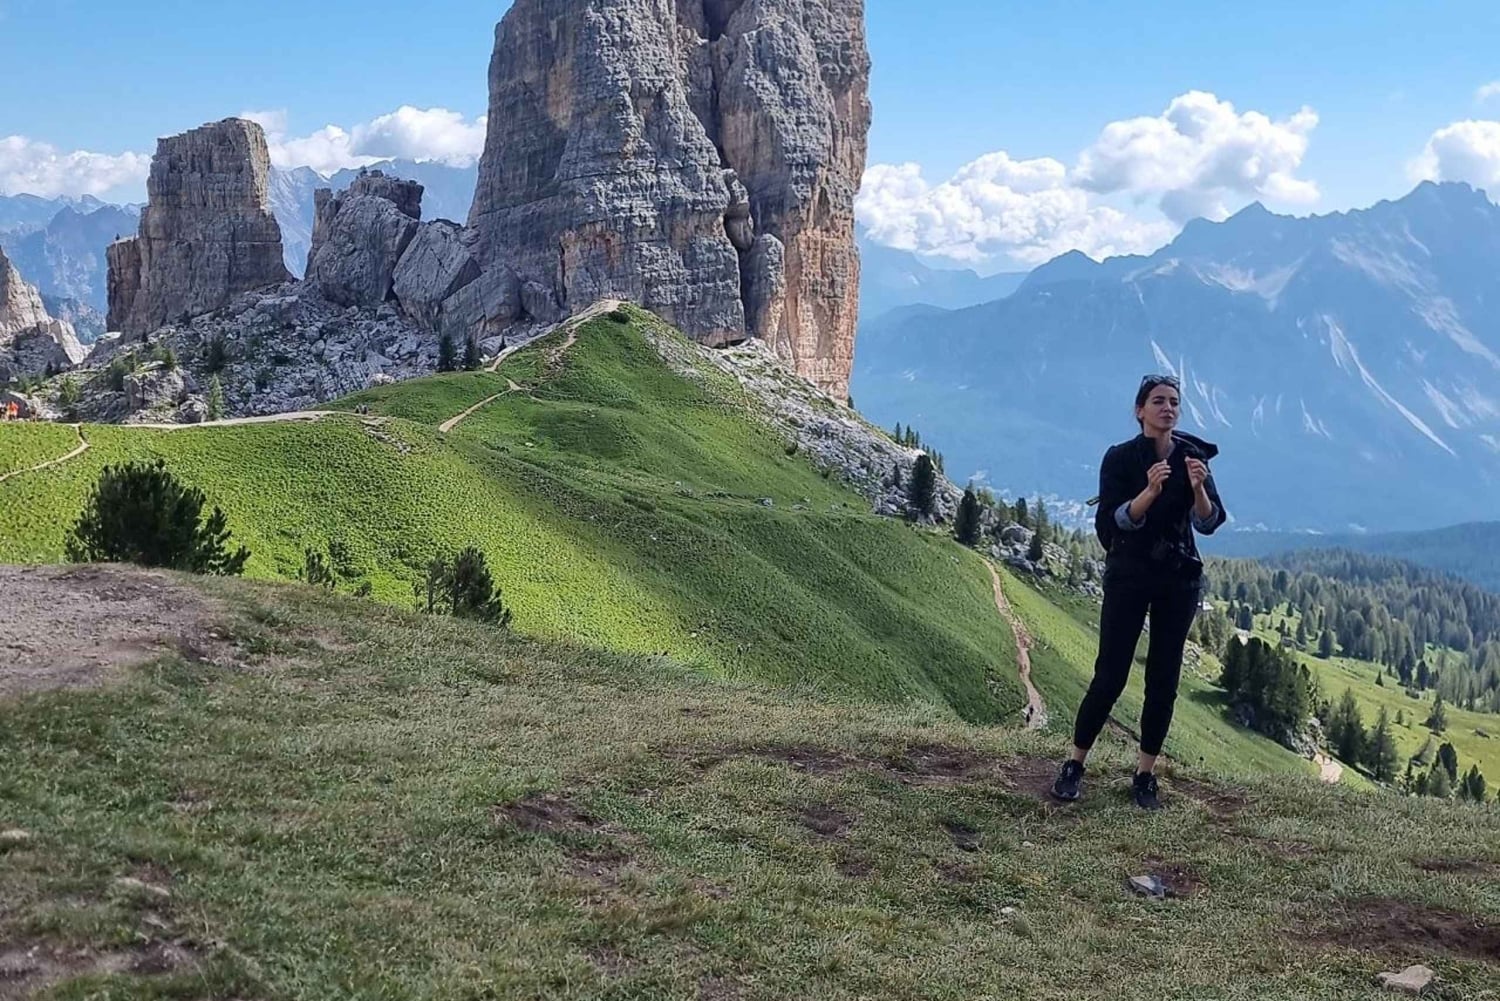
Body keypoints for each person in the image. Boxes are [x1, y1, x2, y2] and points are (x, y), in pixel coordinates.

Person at [1051, 374, 1227, 810]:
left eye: (1173, 402)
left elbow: (1208, 522)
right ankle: (1075, 763)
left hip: (1178, 579)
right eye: (1158, 401)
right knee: (1110, 674)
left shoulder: (1194, 457)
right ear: (1140, 410)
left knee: (1163, 680)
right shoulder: (1120, 458)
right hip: (1129, 575)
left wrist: (1199, 486)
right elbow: (1116, 522)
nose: (1167, 409)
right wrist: (1149, 491)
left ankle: (1145, 774)